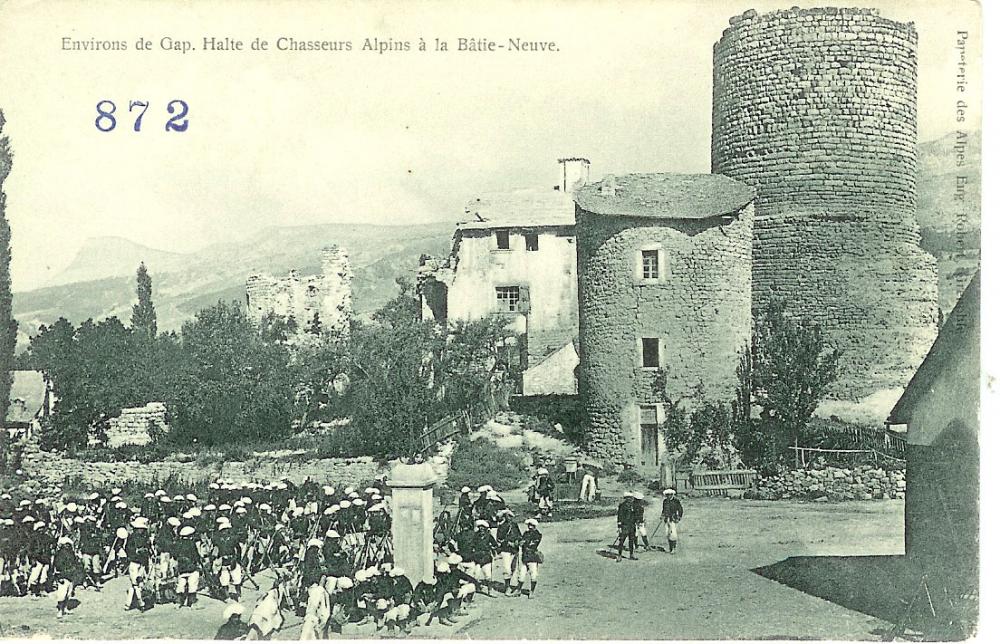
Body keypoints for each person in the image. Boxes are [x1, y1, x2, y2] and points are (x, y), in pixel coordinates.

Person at [125, 517, 153, 611]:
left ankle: (128, 604)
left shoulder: (145, 538)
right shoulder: (132, 538)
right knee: (136, 584)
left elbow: (149, 550)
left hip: (142, 563)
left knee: (137, 584)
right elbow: (128, 550)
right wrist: (137, 552)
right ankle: (141, 603)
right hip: (134, 562)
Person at [174, 525, 202, 608]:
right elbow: (196, 556)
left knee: (181, 584)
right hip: (190, 567)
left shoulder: (178, 543)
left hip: (181, 568)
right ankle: (192, 603)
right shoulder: (191, 543)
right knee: (192, 584)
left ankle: (179, 602)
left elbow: (175, 555)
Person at [495, 510, 521, 596]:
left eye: (511, 517)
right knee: (507, 569)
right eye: (508, 516)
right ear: (505, 517)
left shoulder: (514, 525)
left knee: (514, 569)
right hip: (505, 550)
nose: (509, 518)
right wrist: (508, 543)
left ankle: (514, 586)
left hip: (514, 550)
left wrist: (517, 542)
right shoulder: (501, 527)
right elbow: (498, 539)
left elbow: (519, 536)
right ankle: (507, 587)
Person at [519, 518, 543, 598]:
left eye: (531, 525)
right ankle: (518, 590)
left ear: (534, 526)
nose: (530, 527)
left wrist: (524, 543)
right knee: (521, 575)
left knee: (533, 575)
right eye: (529, 525)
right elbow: (522, 542)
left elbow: (532, 544)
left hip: (532, 557)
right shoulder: (526, 533)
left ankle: (532, 591)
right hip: (525, 556)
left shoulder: (537, 534)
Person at [616, 492, 638, 561]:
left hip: (632, 526)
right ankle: (619, 555)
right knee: (622, 541)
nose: (629, 499)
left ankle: (631, 555)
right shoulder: (622, 506)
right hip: (624, 526)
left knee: (631, 540)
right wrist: (619, 527)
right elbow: (620, 516)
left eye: (630, 497)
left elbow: (635, 515)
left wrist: (637, 521)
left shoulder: (633, 505)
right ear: (625, 498)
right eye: (628, 497)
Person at [661, 489, 684, 553]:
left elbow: (680, 509)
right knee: (667, 533)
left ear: (672, 495)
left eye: (670, 495)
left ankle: (674, 548)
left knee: (673, 534)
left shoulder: (676, 501)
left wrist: (679, 517)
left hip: (673, 519)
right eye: (667, 495)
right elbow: (663, 509)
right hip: (666, 519)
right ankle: (670, 548)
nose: (668, 496)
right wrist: (662, 515)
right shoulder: (665, 501)